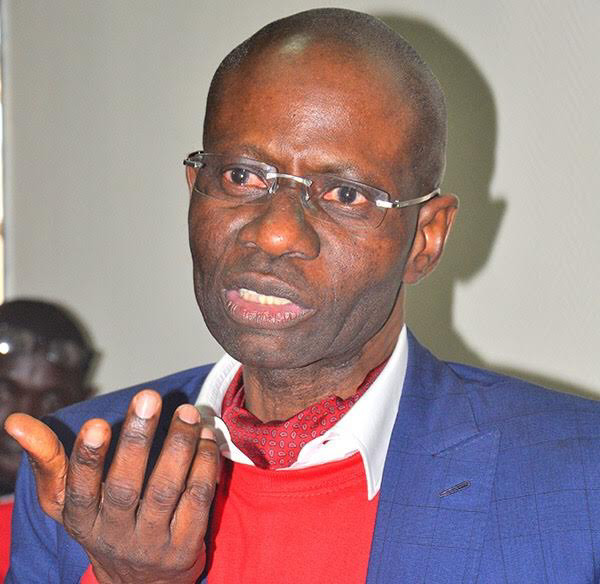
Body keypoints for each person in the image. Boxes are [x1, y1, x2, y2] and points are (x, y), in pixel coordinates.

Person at [4, 8, 600, 584]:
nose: (275, 233)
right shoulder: (79, 462)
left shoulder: (578, 479)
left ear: (425, 238)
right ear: (195, 189)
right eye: (241, 176)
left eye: (346, 194)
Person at [0, 299, 94, 582]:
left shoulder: (89, 534)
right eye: (4, 393)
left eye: (52, 400)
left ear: (87, 404)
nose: (25, 416)